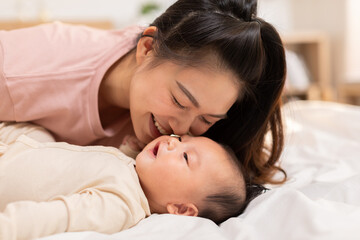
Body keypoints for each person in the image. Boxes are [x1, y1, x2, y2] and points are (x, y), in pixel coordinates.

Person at [0, 0, 287, 184]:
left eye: (208, 119)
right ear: (147, 48)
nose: (181, 129)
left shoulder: (189, 144)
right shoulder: (23, 72)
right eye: (179, 100)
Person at [0, 122, 264, 240]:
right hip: (20, 150)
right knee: (38, 131)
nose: (173, 141)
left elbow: (53, 218)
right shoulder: (134, 175)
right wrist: (128, 153)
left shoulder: (121, 205)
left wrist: (7, 228)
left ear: (181, 209)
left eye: (185, 157)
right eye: (182, 139)